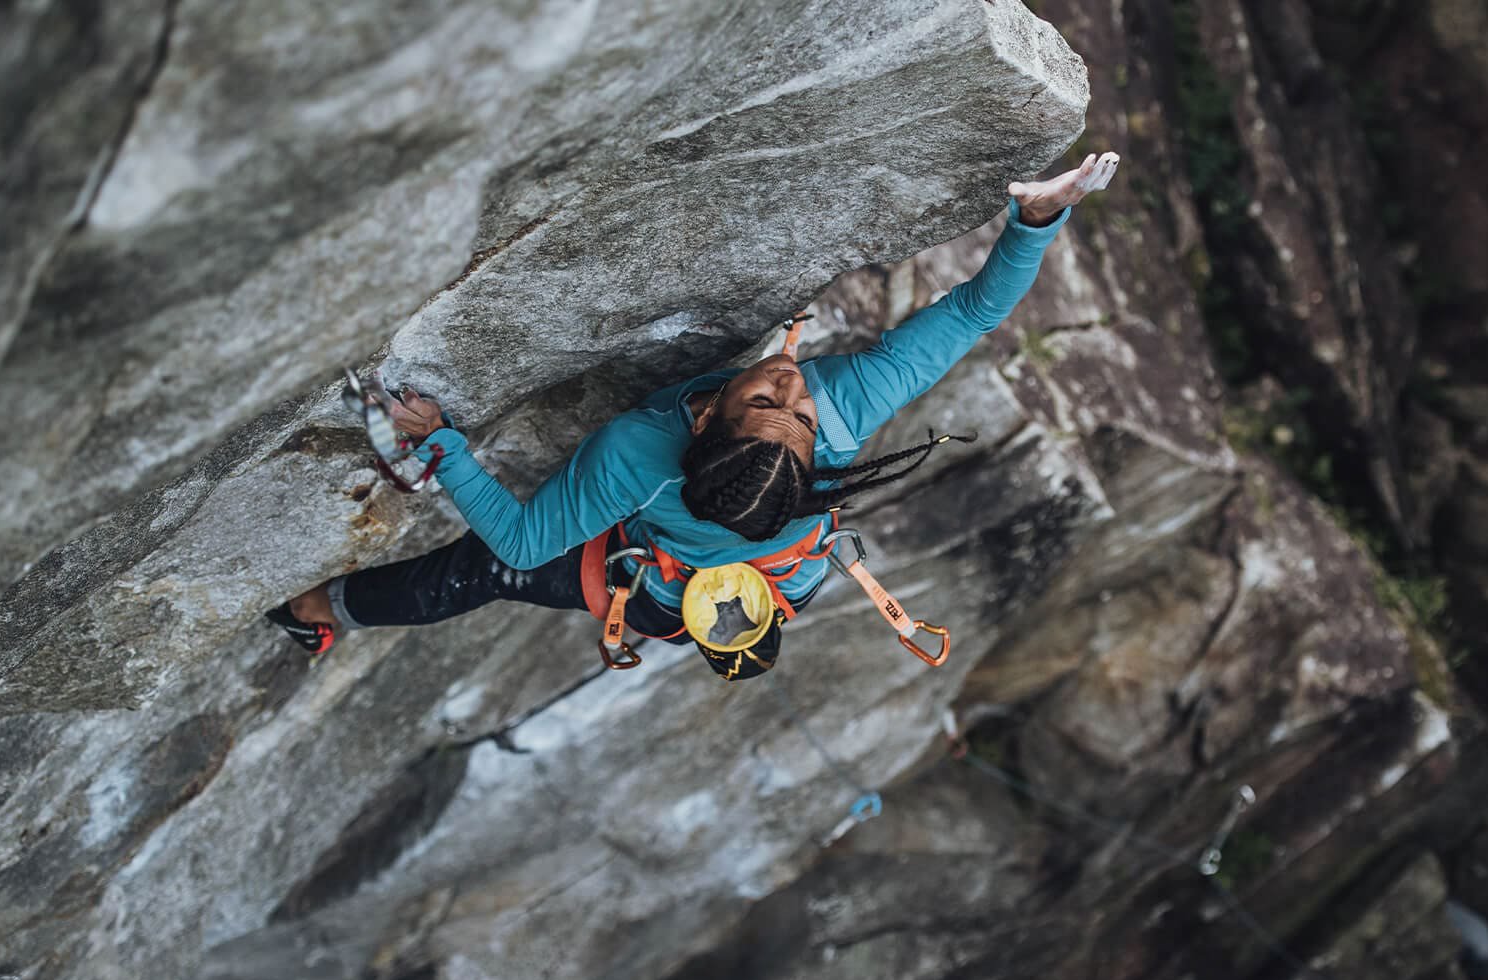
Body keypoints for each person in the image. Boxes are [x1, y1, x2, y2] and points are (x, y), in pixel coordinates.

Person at [268, 151, 1121, 677]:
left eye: (773, 400)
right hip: (761, 558)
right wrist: (1038, 219)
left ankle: (325, 614)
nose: (790, 379)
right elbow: (971, 313)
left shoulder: (639, 455)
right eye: (791, 405)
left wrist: (444, 447)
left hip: (661, 592)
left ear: (707, 418)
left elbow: (525, 543)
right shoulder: (839, 411)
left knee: (479, 574)